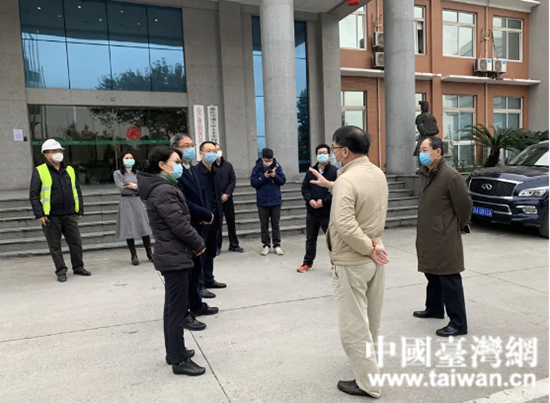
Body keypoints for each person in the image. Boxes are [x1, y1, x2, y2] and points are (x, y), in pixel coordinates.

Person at [309, 126, 390, 398]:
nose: (332, 154)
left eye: (334, 149)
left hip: (355, 258)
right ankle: (369, 367)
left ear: (345, 151)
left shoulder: (347, 180)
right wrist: (330, 185)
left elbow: (344, 224)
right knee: (371, 320)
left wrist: (368, 248)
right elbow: (360, 197)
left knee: (354, 326)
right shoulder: (376, 173)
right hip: (376, 254)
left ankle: (368, 383)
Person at [137, 146, 206, 376]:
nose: (179, 166)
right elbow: (179, 225)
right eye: (175, 162)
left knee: (173, 307)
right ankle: (179, 359)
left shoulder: (161, 187)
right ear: (162, 165)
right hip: (174, 254)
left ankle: (174, 351)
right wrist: (199, 243)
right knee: (176, 309)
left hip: (173, 253)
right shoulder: (163, 190)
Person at [413, 136, 472, 337]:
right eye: (420, 150)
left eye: (424, 149)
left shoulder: (450, 176)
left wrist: (461, 225)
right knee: (432, 273)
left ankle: (458, 323)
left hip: (444, 234)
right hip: (428, 234)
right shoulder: (427, 173)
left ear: (437, 151)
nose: (421, 153)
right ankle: (434, 308)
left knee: (449, 276)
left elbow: (465, 205)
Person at [171, 133, 219, 331]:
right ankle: (188, 310)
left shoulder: (191, 169)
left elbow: (203, 193)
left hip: (201, 224)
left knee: (198, 266)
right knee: (189, 271)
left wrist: (208, 213)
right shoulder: (175, 173)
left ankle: (197, 304)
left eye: (191, 145)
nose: (190, 149)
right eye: (186, 146)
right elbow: (183, 201)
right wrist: (203, 214)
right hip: (188, 224)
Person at [29, 139, 91, 283]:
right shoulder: (39, 171)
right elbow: (34, 194)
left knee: (76, 242)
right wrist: (39, 214)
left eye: (59, 151)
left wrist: (79, 209)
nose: (58, 153)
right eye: (54, 151)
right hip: (50, 216)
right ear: (46, 155)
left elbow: (77, 190)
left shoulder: (69, 170)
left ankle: (78, 267)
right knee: (55, 246)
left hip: (69, 213)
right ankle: (61, 270)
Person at [298, 143, 338, 273]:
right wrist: (310, 200)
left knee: (332, 240)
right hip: (312, 212)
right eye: (319, 153)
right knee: (310, 238)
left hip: (327, 213)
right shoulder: (311, 172)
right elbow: (305, 188)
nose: (322, 155)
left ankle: (336, 264)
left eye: (324, 153)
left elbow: (337, 190)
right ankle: (307, 263)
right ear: (316, 155)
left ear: (329, 155)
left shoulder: (334, 172)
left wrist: (324, 201)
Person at [194, 141, 227, 292]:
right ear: (200, 153)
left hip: (216, 215)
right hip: (203, 218)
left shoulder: (216, 172)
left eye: (214, 151)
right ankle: (199, 283)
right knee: (201, 250)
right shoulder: (195, 172)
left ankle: (209, 278)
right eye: (208, 151)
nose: (212, 154)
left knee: (211, 249)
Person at [113, 152, 153, 266]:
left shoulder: (138, 173)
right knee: (129, 228)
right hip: (126, 201)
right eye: (127, 158)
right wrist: (136, 187)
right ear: (122, 160)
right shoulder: (117, 173)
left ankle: (149, 253)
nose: (129, 160)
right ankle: (133, 254)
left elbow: (143, 188)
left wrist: (133, 186)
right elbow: (122, 189)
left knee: (144, 226)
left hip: (138, 200)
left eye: (131, 158)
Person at [250, 148, 286, 256]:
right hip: (262, 201)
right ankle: (266, 245)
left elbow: (282, 181)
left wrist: (275, 176)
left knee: (276, 224)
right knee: (264, 224)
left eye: (270, 160)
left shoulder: (277, 167)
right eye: (266, 160)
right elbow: (253, 183)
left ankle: (277, 244)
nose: (268, 162)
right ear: (262, 158)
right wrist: (263, 177)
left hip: (275, 201)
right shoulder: (257, 168)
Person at [214, 144, 244, 254]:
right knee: (217, 224)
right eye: (214, 150)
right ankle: (217, 246)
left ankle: (234, 244)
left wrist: (227, 194)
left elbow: (232, 180)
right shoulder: (211, 167)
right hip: (216, 200)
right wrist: (220, 194)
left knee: (231, 222)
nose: (217, 152)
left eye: (218, 149)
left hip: (228, 199)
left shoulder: (228, 165)